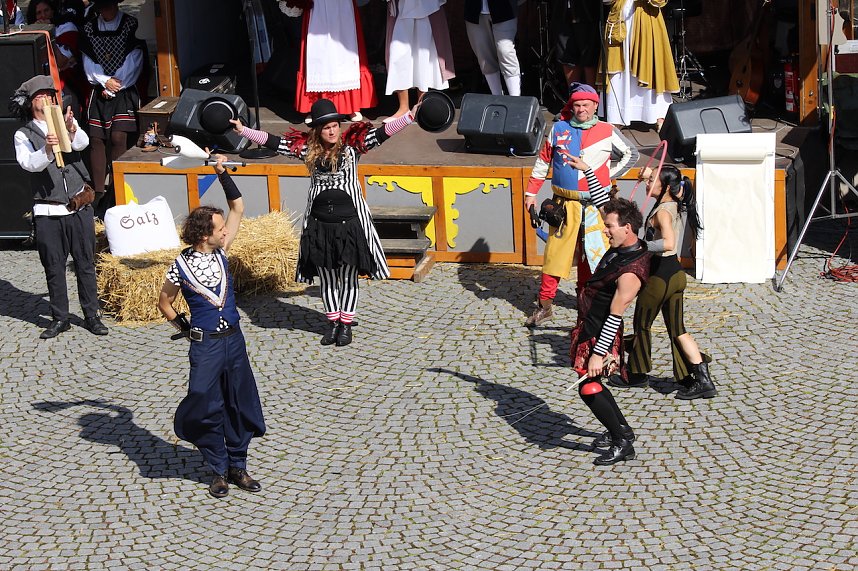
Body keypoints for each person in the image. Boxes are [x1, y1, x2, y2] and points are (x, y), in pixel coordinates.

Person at [232, 99, 423, 346]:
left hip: (349, 223)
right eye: (326, 128)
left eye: (335, 126)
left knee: (347, 274)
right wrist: (243, 130)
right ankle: (333, 323)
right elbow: (274, 142)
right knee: (328, 276)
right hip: (320, 224)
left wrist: (409, 117)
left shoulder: (353, 147)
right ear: (317, 130)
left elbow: (382, 133)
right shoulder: (306, 150)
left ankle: (346, 324)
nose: (332, 131)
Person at [157, 155, 266, 499]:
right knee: (207, 404)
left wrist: (221, 171)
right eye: (219, 229)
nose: (225, 231)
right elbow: (164, 303)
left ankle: (238, 465)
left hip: (234, 342)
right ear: (205, 234)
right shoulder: (180, 266)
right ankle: (217, 469)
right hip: (206, 347)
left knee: (238, 401)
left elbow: (238, 206)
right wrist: (186, 328)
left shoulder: (221, 252)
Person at [523, 82, 638, 328]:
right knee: (554, 256)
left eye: (585, 104)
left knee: (594, 257)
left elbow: (632, 154)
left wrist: (606, 174)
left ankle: (586, 301)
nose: (581, 109)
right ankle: (544, 305)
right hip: (564, 205)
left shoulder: (608, 130)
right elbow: (543, 162)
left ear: (595, 105)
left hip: (597, 206)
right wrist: (530, 193)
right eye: (576, 105)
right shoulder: (559, 128)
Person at [11, 74, 108, 339]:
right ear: (31, 103)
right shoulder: (24, 133)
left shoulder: (67, 120)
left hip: (78, 206)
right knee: (53, 266)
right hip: (48, 210)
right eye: (40, 97)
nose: (46, 100)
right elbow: (28, 164)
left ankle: (92, 316)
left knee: (85, 264)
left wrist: (71, 130)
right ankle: (60, 317)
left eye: (49, 95)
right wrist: (45, 148)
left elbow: (83, 144)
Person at [622, 164, 716, 399]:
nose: (646, 182)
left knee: (641, 325)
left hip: (660, 277)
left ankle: (637, 373)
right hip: (675, 275)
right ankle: (698, 379)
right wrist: (648, 173)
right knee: (678, 330)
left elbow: (668, 243)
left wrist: (640, 247)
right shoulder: (673, 201)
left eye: (652, 180)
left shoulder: (663, 211)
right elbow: (653, 176)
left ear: (664, 186)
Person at [571, 197, 651, 465]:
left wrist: (597, 353)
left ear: (626, 228)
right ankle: (623, 430)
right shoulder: (622, 244)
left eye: (609, 227)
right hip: (590, 324)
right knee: (590, 384)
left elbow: (615, 317)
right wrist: (587, 171)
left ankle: (622, 441)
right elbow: (606, 203)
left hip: (600, 333)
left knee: (589, 387)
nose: (604, 230)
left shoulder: (630, 273)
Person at [79, 0, 143, 208]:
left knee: (118, 136)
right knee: (96, 139)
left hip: (123, 88)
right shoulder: (89, 29)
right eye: (103, 7)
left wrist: (115, 84)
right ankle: (98, 193)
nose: (108, 11)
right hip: (100, 88)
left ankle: (118, 188)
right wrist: (103, 82)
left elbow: (134, 57)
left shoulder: (129, 24)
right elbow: (89, 60)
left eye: (110, 5)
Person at [294, 0, 377, 122]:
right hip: (318, 6)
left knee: (345, 49)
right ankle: (317, 106)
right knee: (318, 51)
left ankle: (350, 106)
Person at [601, 0, 678, 129]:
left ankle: (657, 114)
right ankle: (617, 116)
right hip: (619, 21)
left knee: (651, 67)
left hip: (647, 21)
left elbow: (658, 2)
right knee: (619, 70)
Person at [383, 0, 455, 121]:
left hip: (426, 8)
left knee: (423, 56)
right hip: (402, 8)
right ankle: (403, 107)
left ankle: (421, 106)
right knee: (398, 55)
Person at [464, 0, 522, 96]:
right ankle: (497, 97)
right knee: (483, 55)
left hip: (505, 7)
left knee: (505, 50)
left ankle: (516, 99)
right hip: (474, 8)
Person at [550, 0, 602, 88]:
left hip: (587, 12)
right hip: (561, 11)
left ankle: (592, 97)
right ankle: (574, 96)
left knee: (590, 57)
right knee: (566, 57)